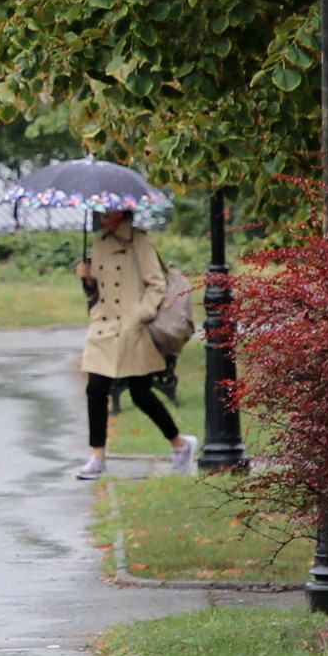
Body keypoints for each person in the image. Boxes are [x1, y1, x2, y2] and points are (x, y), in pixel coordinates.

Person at [75, 206, 195, 480]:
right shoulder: (99, 241)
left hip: (132, 328)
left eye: (108, 210)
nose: (102, 215)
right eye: (100, 211)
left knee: (141, 393)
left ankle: (180, 444)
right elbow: (96, 292)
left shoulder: (139, 240)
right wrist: (88, 279)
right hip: (104, 325)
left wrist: (139, 316)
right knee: (96, 388)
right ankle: (97, 456)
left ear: (122, 212)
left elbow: (156, 285)